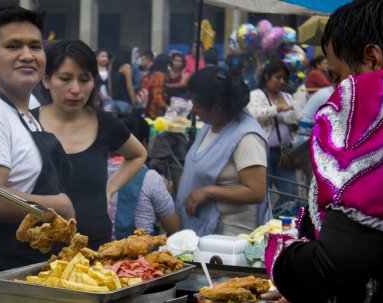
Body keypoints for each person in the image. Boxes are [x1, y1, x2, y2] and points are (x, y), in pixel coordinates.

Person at [263, 1, 383, 303]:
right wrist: (331, 299)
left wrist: (281, 251)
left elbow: (332, 265)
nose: (338, 90)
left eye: (338, 75)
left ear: (371, 58)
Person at [0, 6, 75, 275]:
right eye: (13, 46)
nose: (27, 56)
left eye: (35, 46)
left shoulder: (23, 107)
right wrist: (58, 206)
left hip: (25, 264)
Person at [33, 40, 146, 249]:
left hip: (94, 245)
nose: (75, 89)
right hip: (39, 247)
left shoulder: (105, 122)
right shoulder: (28, 124)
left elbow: (138, 154)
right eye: (65, 79)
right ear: (46, 80)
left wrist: (110, 189)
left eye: (84, 79)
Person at [176, 67, 270, 236]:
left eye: (197, 106)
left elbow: (256, 192)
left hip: (228, 237)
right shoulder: (210, 124)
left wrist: (208, 191)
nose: (192, 110)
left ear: (217, 108)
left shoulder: (247, 137)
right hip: (201, 229)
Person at [108, 113, 179, 238]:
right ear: (144, 143)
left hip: (99, 251)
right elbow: (174, 228)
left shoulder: (97, 171)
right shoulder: (151, 179)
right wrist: (164, 194)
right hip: (141, 254)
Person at [248, 60, 301, 206]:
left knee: (290, 192)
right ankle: (266, 223)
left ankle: (281, 219)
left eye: (284, 78)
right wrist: (277, 109)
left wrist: (295, 122)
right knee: (263, 194)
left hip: (284, 149)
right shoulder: (256, 95)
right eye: (278, 77)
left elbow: (293, 120)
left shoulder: (288, 97)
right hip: (263, 150)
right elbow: (253, 115)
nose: (281, 81)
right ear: (267, 76)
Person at [138, 53, 169, 119]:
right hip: (153, 109)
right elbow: (157, 95)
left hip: (144, 106)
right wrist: (165, 107)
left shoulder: (149, 73)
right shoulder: (160, 75)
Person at [109, 45, 136, 114]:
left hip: (114, 100)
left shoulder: (111, 65)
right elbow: (129, 87)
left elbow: (109, 85)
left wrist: (113, 96)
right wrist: (134, 101)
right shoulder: (127, 67)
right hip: (125, 100)